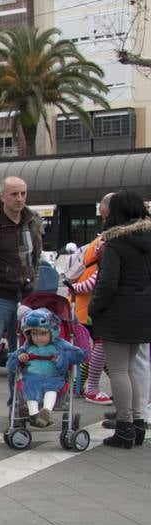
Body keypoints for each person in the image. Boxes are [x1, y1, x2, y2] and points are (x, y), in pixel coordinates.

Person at [0, 176, 43, 424]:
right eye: (14, 194)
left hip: (25, 296)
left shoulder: (32, 221)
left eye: (23, 194)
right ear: (2, 196)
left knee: (23, 354)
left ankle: (20, 404)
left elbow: (36, 256)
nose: (20, 199)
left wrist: (33, 281)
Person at [88, 189, 151, 448]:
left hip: (118, 311)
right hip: (145, 309)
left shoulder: (115, 242)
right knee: (132, 367)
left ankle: (124, 427)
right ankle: (138, 424)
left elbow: (107, 283)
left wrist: (95, 308)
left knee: (118, 370)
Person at [6, 309, 86, 429]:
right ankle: (34, 415)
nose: (38, 338)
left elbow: (77, 353)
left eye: (43, 334)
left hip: (53, 376)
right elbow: (15, 357)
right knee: (29, 387)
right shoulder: (28, 345)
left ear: (52, 332)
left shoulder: (59, 344)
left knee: (51, 389)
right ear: (29, 334)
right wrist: (19, 357)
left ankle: (46, 412)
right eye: (34, 334)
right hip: (32, 375)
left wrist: (62, 357)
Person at [71, 193, 115, 405]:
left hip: (87, 308)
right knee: (96, 349)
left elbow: (84, 284)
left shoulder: (97, 244)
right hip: (91, 310)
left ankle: (85, 386)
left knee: (97, 350)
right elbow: (91, 283)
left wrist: (73, 287)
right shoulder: (103, 247)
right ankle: (86, 387)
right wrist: (75, 287)